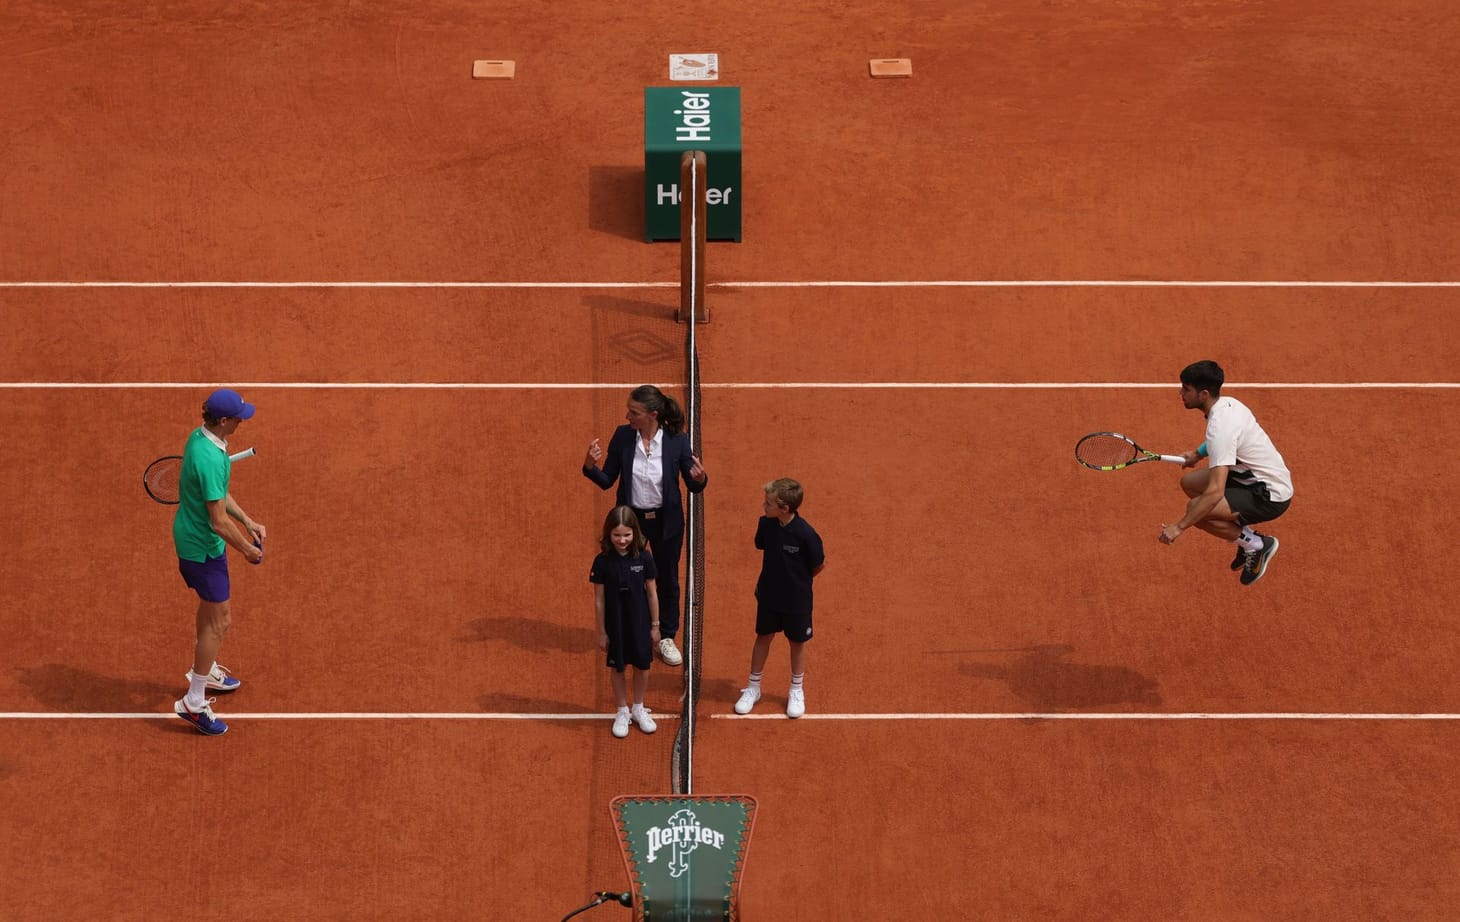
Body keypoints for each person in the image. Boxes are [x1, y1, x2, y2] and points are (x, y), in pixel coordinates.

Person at [583, 385, 708, 667]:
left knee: (667, 578)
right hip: (631, 522)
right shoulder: (623, 437)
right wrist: (591, 466)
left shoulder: (677, 440)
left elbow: (693, 484)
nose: (628, 416)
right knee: (625, 575)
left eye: (634, 412)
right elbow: (607, 481)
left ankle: (666, 636)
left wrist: (700, 478)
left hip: (667, 522)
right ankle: (626, 628)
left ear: (652, 414)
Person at [172, 388, 266, 736]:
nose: (244, 420)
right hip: (202, 548)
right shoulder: (210, 458)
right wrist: (246, 549)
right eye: (239, 416)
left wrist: (249, 521)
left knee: (211, 612)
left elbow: (221, 494)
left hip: (197, 541)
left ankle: (204, 666)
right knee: (221, 620)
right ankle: (194, 702)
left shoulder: (203, 440)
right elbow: (217, 521)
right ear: (224, 420)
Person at [1158, 361, 1293, 585]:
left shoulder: (1220, 426)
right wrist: (1197, 454)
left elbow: (1214, 492)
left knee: (1197, 510)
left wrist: (1179, 527)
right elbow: (1223, 441)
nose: (1180, 393)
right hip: (1250, 476)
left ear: (1203, 394)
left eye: (1186, 389)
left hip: (1269, 495)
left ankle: (1256, 545)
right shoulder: (1228, 404)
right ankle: (1244, 535)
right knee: (1190, 483)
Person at [734, 479, 825, 719]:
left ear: (784, 508)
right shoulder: (766, 525)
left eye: (769, 503)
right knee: (763, 637)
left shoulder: (806, 534)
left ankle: (796, 690)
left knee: (797, 643)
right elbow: (762, 546)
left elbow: (818, 565)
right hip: (768, 595)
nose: (764, 506)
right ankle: (753, 688)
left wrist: (797, 582)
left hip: (797, 601)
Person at [591, 506, 661, 738]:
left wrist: (655, 625)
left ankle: (638, 708)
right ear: (609, 534)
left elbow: (652, 593)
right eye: (617, 535)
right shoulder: (602, 562)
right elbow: (599, 600)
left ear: (635, 533)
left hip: (640, 623)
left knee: (642, 666)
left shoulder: (645, 557)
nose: (622, 540)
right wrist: (601, 632)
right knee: (618, 667)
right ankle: (622, 710)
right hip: (616, 625)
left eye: (627, 535)